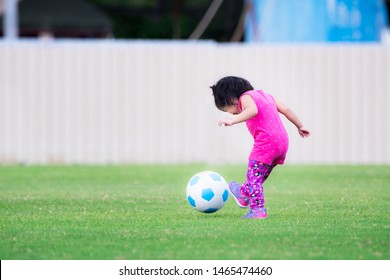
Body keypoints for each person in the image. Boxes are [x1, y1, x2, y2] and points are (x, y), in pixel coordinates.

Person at [211, 76, 310, 219]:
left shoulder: (245, 97)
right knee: (258, 176)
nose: (233, 113)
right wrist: (300, 125)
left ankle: (258, 210)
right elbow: (286, 109)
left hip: (266, 143)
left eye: (229, 110)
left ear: (231, 98)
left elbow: (252, 110)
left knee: (254, 178)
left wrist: (232, 121)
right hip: (282, 143)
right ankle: (244, 193)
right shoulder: (266, 95)